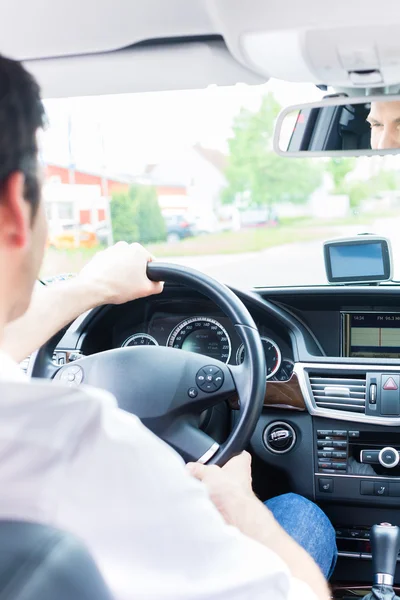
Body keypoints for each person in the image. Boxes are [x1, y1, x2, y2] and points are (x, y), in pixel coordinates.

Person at [0, 54, 336, 600]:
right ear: (18, 207)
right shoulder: (85, 449)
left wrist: (92, 289)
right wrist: (240, 506)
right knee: (299, 514)